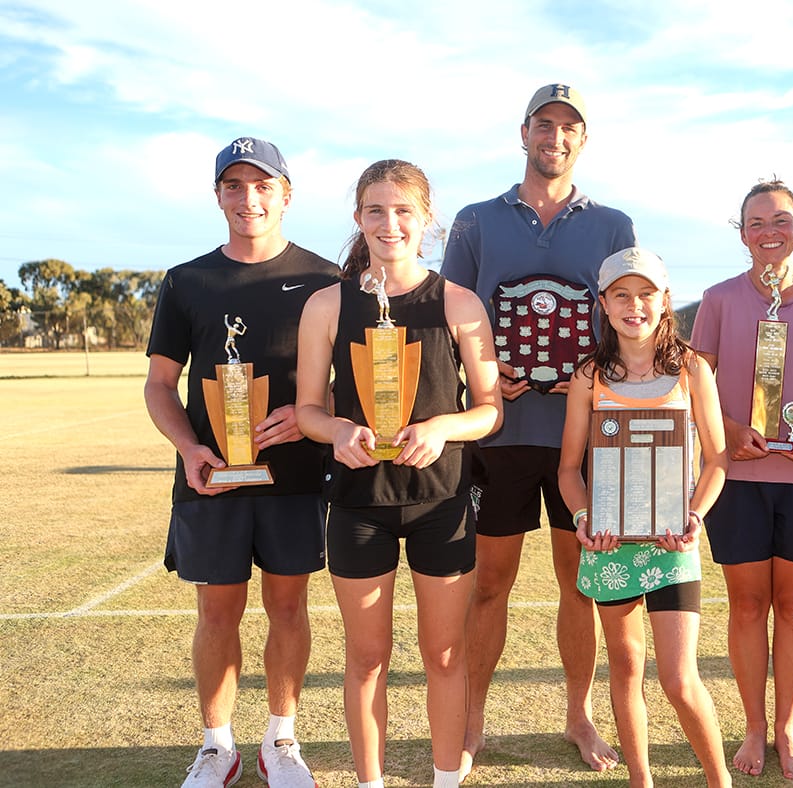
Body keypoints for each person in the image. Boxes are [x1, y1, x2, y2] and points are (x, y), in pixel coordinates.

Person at [440, 82, 636, 778]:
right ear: (523, 133)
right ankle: (471, 718)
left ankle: (577, 716)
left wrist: (592, 380)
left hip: (579, 438)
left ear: (582, 140)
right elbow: (450, 315)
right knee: (488, 583)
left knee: (578, 581)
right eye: (544, 126)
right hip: (499, 432)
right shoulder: (474, 220)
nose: (555, 138)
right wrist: (485, 376)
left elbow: (627, 317)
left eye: (568, 128)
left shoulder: (612, 224)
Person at [295, 159, 502, 788]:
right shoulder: (327, 305)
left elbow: (489, 411)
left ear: (427, 219)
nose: (390, 223)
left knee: (444, 654)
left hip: (440, 502)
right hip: (359, 504)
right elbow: (308, 409)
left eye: (403, 210)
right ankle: (370, 782)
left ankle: (444, 777)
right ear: (358, 218)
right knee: (366, 658)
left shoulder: (459, 303)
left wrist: (441, 428)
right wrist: (338, 433)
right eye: (376, 211)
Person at [144, 136, 339, 788]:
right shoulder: (187, 281)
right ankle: (216, 747)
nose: (248, 198)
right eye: (234, 185)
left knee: (288, 609)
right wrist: (189, 447)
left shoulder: (324, 279)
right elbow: (158, 384)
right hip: (211, 480)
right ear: (218, 194)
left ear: (286, 194)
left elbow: (353, 384)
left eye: (262, 185)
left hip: (297, 477)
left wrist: (312, 413)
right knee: (216, 613)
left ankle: (280, 740)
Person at [689, 180, 793, 779]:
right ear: (742, 234)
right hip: (739, 477)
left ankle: (787, 726)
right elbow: (695, 385)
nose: (769, 232)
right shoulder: (718, 299)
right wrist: (730, 429)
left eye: (780, 220)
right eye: (756, 223)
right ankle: (753, 729)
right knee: (746, 605)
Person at [557, 247, 732, 788]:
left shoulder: (692, 369)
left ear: (664, 300)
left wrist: (696, 515)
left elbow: (718, 461)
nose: (635, 305)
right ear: (604, 304)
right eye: (622, 295)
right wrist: (584, 516)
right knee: (627, 666)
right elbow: (568, 470)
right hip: (611, 544)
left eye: (646, 293)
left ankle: (719, 782)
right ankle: (641, 781)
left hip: (672, 545)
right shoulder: (589, 376)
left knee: (679, 679)